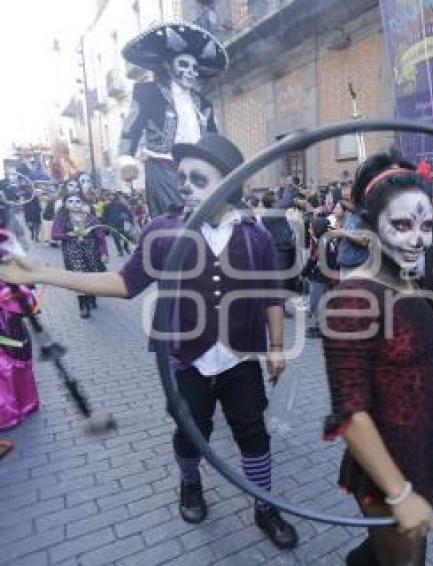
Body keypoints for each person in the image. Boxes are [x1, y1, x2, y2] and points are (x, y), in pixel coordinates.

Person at [0, 134, 298, 549]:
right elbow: (123, 282)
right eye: (182, 177)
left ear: (229, 183)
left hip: (240, 357)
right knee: (191, 433)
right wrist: (39, 274)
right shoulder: (162, 231)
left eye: (199, 177)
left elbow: (270, 294)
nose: (185, 185)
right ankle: (190, 485)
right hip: (184, 358)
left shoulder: (256, 236)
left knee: (254, 434)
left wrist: (278, 348)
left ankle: (265, 506)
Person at [322, 151, 433, 565]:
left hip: (422, 453)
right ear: (371, 227)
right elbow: (350, 413)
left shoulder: (410, 281)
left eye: (426, 226)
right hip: (387, 469)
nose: (417, 239)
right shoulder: (352, 299)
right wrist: (400, 493)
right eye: (402, 225)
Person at [117, 21, 227, 218]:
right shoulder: (148, 92)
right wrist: (126, 157)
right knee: (172, 219)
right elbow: (132, 126)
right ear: (168, 65)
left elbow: (213, 138)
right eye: (184, 65)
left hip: (196, 168)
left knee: (200, 219)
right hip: (162, 167)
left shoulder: (203, 104)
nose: (190, 71)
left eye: (194, 67)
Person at [0, 213, 38, 431]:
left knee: (14, 360)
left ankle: (20, 405)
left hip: (7, 318)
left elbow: (24, 275)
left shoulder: (5, 237)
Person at [51, 187, 108, 319]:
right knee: (78, 277)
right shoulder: (61, 218)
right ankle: (83, 305)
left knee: (92, 276)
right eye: (71, 201)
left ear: (82, 203)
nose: (75, 203)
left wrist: (104, 253)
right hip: (73, 251)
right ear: (65, 204)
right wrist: (69, 235)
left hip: (91, 251)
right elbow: (54, 235)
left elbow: (100, 236)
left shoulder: (91, 218)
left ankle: (92, 295)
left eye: (78, 201)